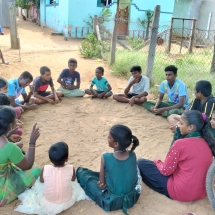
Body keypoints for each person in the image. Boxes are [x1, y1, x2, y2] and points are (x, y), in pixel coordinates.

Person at [137, 110, 215, 202]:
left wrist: (157, 161)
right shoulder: (209, 141)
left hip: (182, 192)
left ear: (191, 127)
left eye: (181, 123)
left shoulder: (180, 144)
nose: (178, 125)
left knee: (141, 163)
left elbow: (166, 171)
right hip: (203, 192)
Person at [76, 125, 141, 214]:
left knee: (82, 174)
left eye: (109, 137)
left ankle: (81, 173)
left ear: (116, 144)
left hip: (112, 202)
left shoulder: (105, 157)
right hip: (131, 199)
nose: (107, 138)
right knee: (111, 175)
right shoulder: (132, 155)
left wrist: (102, 183)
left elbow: (102, 184)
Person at [15, 142, 88, 215]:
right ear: (67, 159)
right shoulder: (71, 168)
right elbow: (73, 180)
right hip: (67, 202)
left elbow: (41, 181)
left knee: (40, 186)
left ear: (50, 158)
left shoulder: (46, 168)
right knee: (72, 184)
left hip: (47, 204)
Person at [0, 106, 41, 206]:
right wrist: (32, 141)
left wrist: (7, 136)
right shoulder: (9, 147)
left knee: (18, 148)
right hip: (2, 188)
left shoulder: (7, 145)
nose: (17, 121)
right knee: (37, 170)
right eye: (15, 120)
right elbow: (28, 165)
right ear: (10, 125)